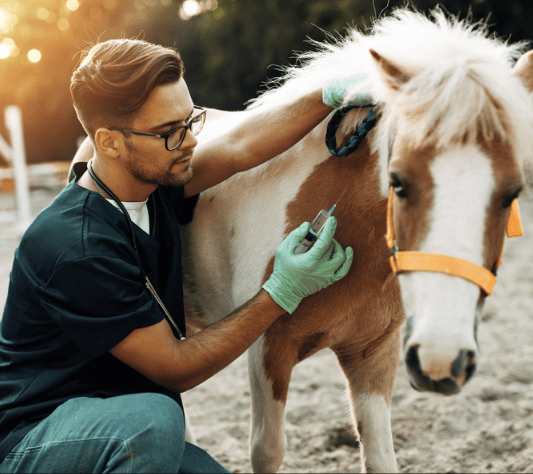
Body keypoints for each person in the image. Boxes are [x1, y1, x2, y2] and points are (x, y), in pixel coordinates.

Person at [0, 38, 360, 473]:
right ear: (109, 143)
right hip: (36, 438)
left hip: (119, 423)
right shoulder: (76, 247)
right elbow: (175, 368)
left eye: (190, 121)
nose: (189, 140)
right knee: (155, 420)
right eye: (169, 131)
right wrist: (282, 290)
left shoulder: (150, 184)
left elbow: (238, 148)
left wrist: (327, 94)